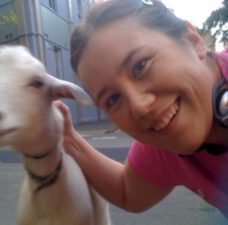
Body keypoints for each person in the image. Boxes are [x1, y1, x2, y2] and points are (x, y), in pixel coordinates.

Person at [54, 0, 228, 219]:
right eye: (113, 99)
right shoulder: (166, 138)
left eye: (140, 65)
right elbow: (128, 191)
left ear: (192, 41)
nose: (139, 107)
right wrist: (68, 139)